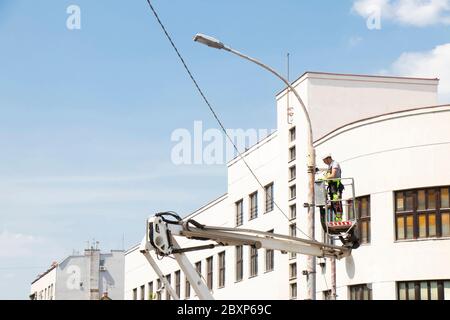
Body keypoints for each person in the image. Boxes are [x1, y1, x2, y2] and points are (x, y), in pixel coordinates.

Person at [322, 154, 344, 221]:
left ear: (328, 158)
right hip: (332, 186)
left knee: (336, 202)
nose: (324, 162)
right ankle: (337, 217)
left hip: (336, 185)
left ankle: (339, 218)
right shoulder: (330, 166)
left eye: (324, 160)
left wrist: (324, 178)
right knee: (333, 203)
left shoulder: (335, 164)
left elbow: (333, 175)